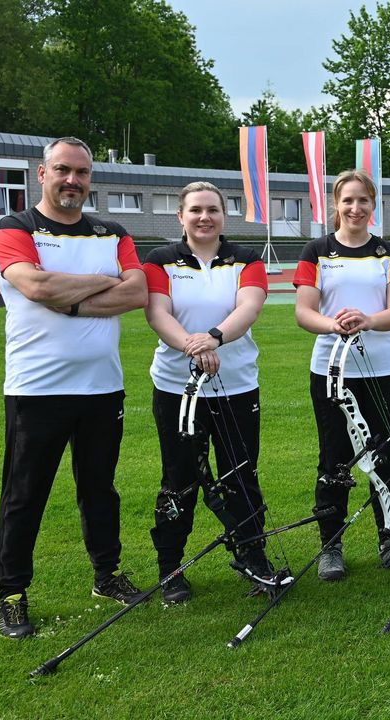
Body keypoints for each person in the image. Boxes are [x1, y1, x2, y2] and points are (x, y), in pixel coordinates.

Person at [0, 136, 147, 638]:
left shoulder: (111, 231)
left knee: (100, 488)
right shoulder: (14, 228)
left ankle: (107, 575)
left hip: (103, 388)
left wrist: (70, 299)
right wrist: (102, 282)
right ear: (42, 173)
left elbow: (138, 291)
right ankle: (11, 594)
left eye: (81, 173)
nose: (72, 181)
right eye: (63, 170)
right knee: (24, 494)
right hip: (37, 389)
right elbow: (35, 287)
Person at [142, 181, 277, 603]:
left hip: (236, 388)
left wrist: (213, 339)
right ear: (181, 216)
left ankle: (254, 558)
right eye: (196, 210)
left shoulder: (246, 259)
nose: (205, 218)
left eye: (213, 210)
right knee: (179, 478)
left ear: (224, 215)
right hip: (177, 388)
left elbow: (249, 307)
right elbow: (157, 312)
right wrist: (192, 346)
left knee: (241, 475)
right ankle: (171, 568)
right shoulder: (160, 260)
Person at [293, 169, 390, 580]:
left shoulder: (389, 253)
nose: (355, 208)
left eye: (363, 200)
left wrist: (368, 320)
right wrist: (335, 325)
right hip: (332, 370)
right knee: (334, 458)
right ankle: (332, 546)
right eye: (348, 200)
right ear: (335, 204)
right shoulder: (317, 251)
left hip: (386, 370)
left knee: (386, 457)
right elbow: (304, 312)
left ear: (373, 204)